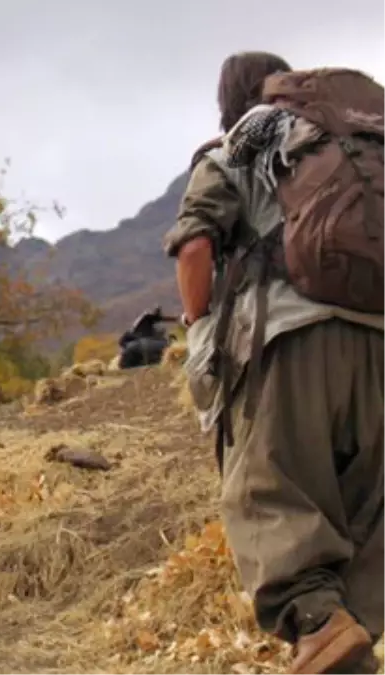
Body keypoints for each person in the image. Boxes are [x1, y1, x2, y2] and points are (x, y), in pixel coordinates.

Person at [167, 51, 385, 674]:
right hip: (380, 347)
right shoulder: (354, 142)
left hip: (290, 343)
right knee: (368, 509)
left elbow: (195, 244)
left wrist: (198, 322)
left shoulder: (245, 141)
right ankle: (351, 638)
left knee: (265, 490)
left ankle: (318, 622)